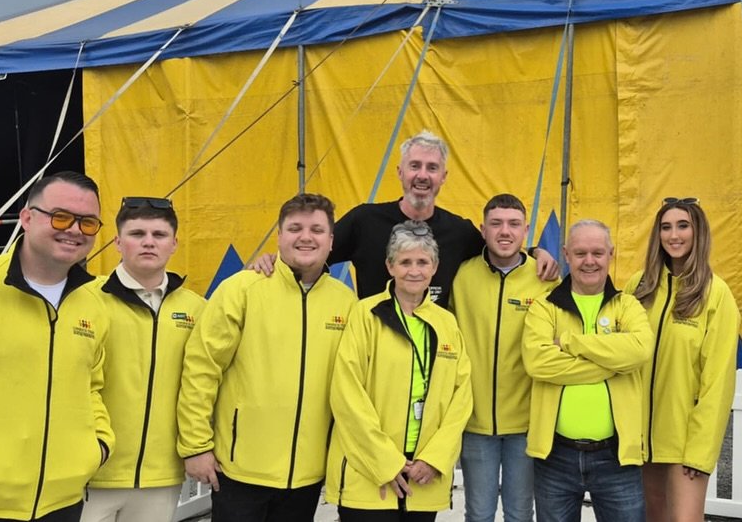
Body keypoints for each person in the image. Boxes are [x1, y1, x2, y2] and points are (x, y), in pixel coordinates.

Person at [0, 171, 114, 521]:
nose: (74, 230)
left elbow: (91, 387)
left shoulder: (93, 305)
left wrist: (96, 447)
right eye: (60, 216)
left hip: (62, 501)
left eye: (88, 223)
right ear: (26, 218)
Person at [176, 193, 357, 522]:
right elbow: (202, 368)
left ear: (331, 241)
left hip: (306, 474)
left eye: (317, 229)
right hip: (240, 470)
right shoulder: (242, 289)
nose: (305, 236)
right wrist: (195, 446)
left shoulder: (345, 302)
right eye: (295, 228)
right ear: (279, 236)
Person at [325, 220, 473, 522]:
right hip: (369, 473)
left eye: (422, 262)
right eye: (405, 262)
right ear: (390, 266)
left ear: (434, 268)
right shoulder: (365, 314)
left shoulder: (447, 323)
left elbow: (462, 397)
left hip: (423, 474)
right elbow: (347, 394)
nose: (414, 270)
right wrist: (386, 462)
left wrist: (434, 459)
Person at [319, 130, 558, 305]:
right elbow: (315, 256)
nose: (422, 175)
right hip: (374, 352)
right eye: (415, 166)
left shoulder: (459, 232)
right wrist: (283, 262)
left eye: (432, 168)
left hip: (432, 355)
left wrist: (536, 251)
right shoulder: (364, 221)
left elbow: (499, 249)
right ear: (400, 173)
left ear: (443, 177)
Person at [82, 197, 206, 522]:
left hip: (159, 478)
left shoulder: (197, 309)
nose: (148, 242)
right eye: (137, 234)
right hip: (91, 473)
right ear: (118, 242)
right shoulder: (84, 299)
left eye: (159, 234)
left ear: (174, 244)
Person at [522, 219, 653, 522]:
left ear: (611, 254)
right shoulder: (545, 307)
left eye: (598, 253)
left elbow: (640, 350)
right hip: (555, 456)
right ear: (566, 254)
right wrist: (611, 363)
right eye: (580, 253)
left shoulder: (627, 305)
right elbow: (537, 362)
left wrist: (570, 342)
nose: (589, 261)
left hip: (617, 456)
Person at [625, 197, 741, 522]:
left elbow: (718, 382)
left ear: (698, 232)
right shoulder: (639, 286)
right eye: (666, 227)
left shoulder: (715, 294)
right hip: (640, 439)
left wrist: (700, 452)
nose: (673, 235)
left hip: (683, 443)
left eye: (683, 226)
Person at [450, 194, 555, 522]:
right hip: (475, 421)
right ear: (482, 230)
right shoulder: (462, 275)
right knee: (478, 513)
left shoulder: (546, 281)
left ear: (526, 231)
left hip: (525, 423)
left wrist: (540, 253)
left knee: (520, 513)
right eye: (496, 223)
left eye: (513, 224)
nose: (504, 231)